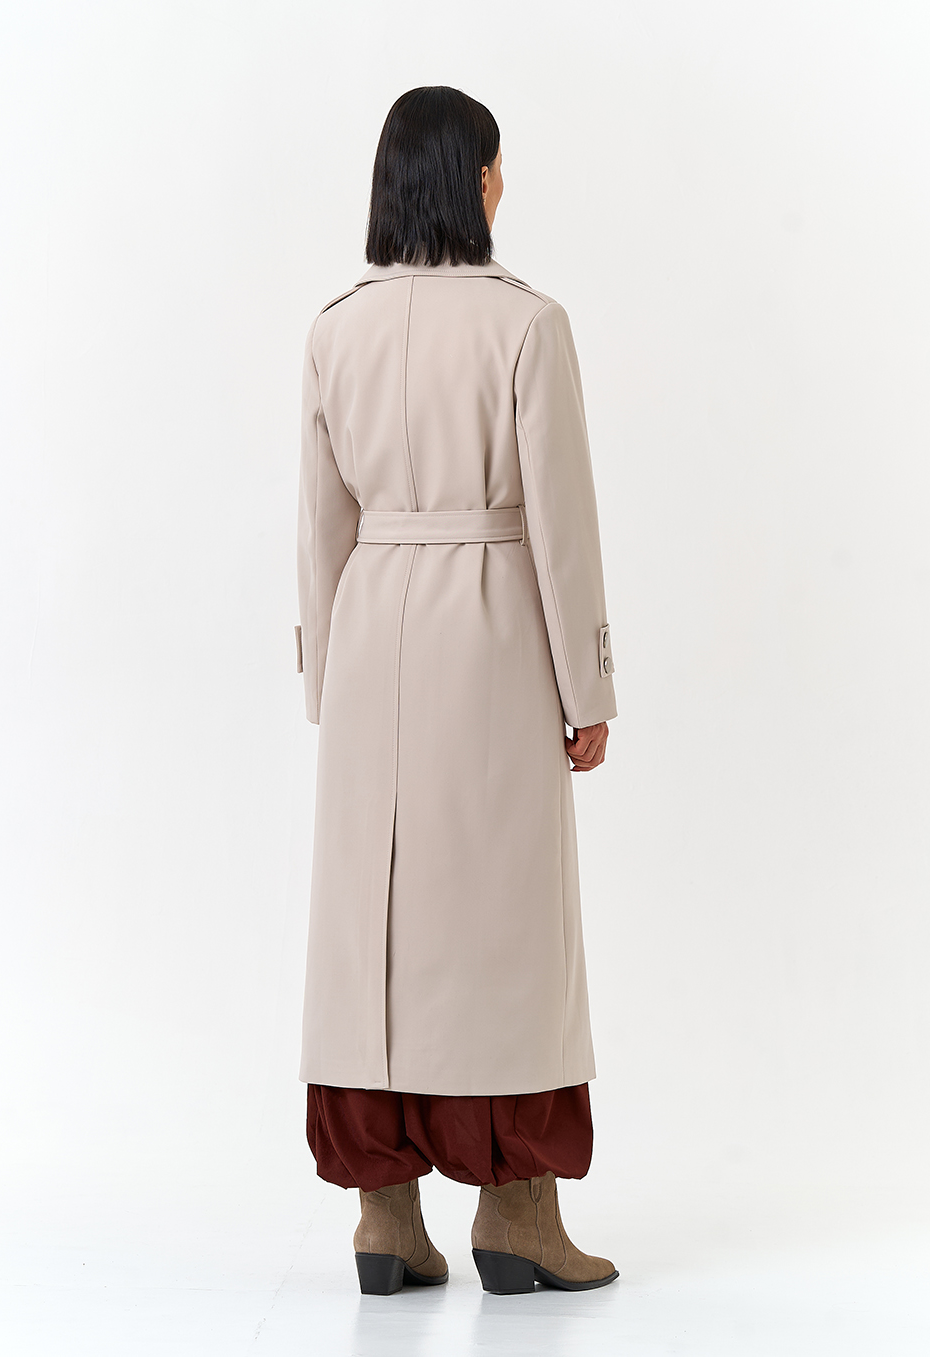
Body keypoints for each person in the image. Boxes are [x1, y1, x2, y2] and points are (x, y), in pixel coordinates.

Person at [295, 86, 619, 1297]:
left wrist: (325, 678)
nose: (502, 185)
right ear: (471, 181)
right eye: (496, 167)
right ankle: (516, 1210)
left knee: (371, 930)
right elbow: (560, 524)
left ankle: (384, 1217)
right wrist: (587, 684)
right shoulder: (526, 324)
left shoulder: (335, 329)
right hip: (488, 628)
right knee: (503, 920)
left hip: (371, 626)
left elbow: (318, 524)